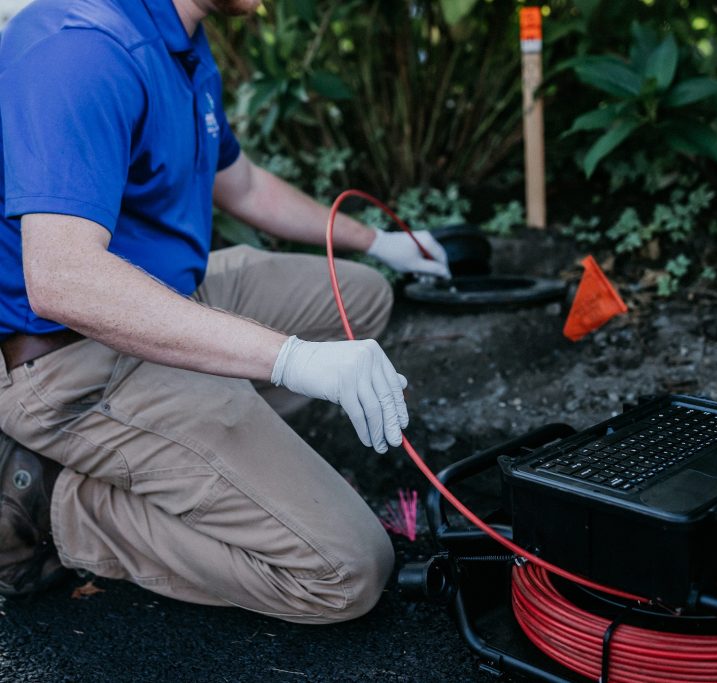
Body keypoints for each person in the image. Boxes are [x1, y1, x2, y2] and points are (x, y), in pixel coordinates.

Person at [0, 0, 450, 624]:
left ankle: (198, 446)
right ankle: (58, 505)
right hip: (73, 360)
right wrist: (289, 359)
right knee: (347, 572)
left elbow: (244, 186)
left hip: (169, 296)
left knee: (363, 295)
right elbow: (64, 281)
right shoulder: (78, 49)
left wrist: (380, 242)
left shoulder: (182, 37)